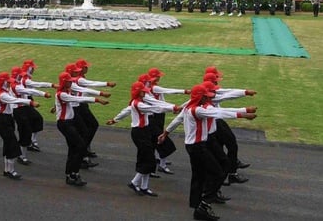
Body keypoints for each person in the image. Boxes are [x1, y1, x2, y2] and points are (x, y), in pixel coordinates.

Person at [159, 84, 257, 221]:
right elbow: (219, 113)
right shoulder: (198, 110)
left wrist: (166, 132)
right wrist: (244, 113)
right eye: (206, 96)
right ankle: (203, 205)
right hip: (198, 147)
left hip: (196, 146)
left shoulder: (190, 108)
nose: (209, 98)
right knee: (217, 173)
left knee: (201, 175)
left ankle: (199, 204)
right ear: (200, 97)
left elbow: (178, 119)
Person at [107, 81, 181, 197]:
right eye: (143, 91)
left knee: (147, 158)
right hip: (139, 133)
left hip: (144, 132)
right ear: (138, 92)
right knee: (148, 159)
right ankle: (135, 183)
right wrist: (173, 108)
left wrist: (115, 119)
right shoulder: (139, 104)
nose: (145, 93)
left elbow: (127, 111)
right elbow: (155, 108)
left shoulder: (137, 102)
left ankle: (143, 186)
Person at [56, 72, 109, 186]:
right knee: (79, 146)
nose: (71, 82)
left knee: (73, 148)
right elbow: (77, 99)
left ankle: (71, 174)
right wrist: (97, 99)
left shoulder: (66, 92)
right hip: (65, 123)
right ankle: (74, 173)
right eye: (69, 81)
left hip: (68, 122)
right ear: (64, 82)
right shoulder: (62, 94)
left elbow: (76, 96)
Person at [0, 71, 40, 180]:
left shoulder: (3, 92)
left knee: (8, 143)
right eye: (7, 82)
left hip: (6, 118)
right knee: (11, 143)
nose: (9, 83)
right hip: (3, 119)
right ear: (3, 82)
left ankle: (8, 170)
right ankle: (10, 170)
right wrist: (30, 102)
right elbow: (15, 100)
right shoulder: (3, 94)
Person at [10, 65, 51, 165]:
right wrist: (43, 94)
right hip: (19, 109)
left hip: (25, 106)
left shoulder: (17, 83)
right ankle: (21, 155)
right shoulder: (16, 86)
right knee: (25, 131)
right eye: (20, 75)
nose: (22, 77)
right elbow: (30, 90)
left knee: (37, 119)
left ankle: (30, 141)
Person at [74, 59, 115, 158]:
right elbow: (92, 84)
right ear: (81, 68)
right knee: (91, 126)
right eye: (85, 67)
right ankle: (83, 149)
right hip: (79, 106)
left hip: (82, 104)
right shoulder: (79, 79)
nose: (87, 68)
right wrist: (107, 84)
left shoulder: (80, 78)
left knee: (88, 127)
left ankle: (85, 148)